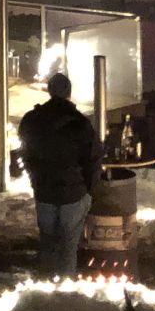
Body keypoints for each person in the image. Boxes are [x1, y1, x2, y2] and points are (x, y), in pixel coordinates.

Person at [18, 73, 101, 279]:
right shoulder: (80, 124)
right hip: (73, 194)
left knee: (47, 245)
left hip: (44, 191)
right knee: (68, 248)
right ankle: (64, 295)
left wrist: (34, 179)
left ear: (49, 91)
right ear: (69, 93)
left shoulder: (31, 120)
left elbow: (25, 153)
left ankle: (45, 293)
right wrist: (89, 190)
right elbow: (93, 160)